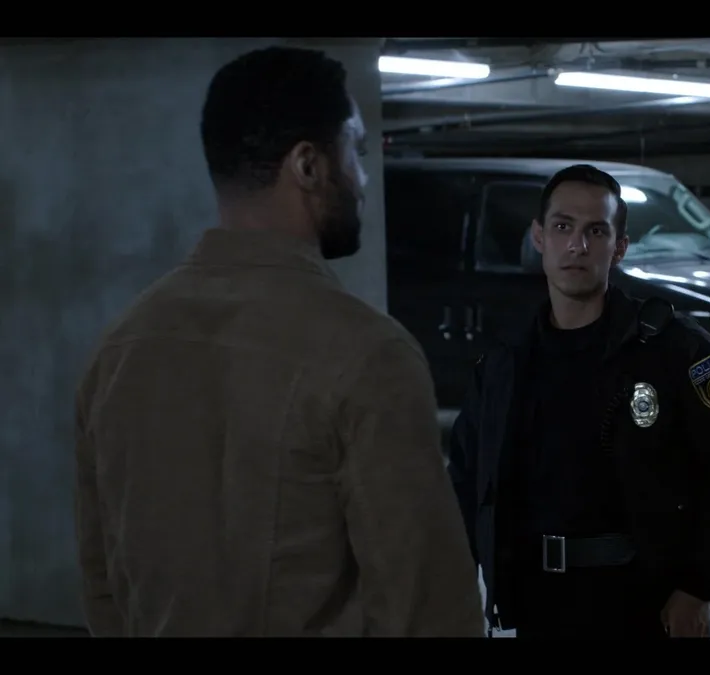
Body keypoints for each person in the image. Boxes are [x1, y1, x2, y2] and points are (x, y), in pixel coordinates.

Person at [72, 46, 484, 637]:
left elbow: (103, 585)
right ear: (309, 166)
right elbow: (427, 612)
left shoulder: (117, 350)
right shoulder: (369, 355)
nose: (363, 179)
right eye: (357, 151)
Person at [447, 164, 710, 638]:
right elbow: (465, 480)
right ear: (539, 237)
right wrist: (455, 588)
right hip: (536, 604)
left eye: (595, 231)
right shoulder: (506, 361)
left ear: (619, 247)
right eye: (563, 226)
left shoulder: (676, 351)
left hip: (643, 606)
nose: (577, 245)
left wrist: (698, 585)